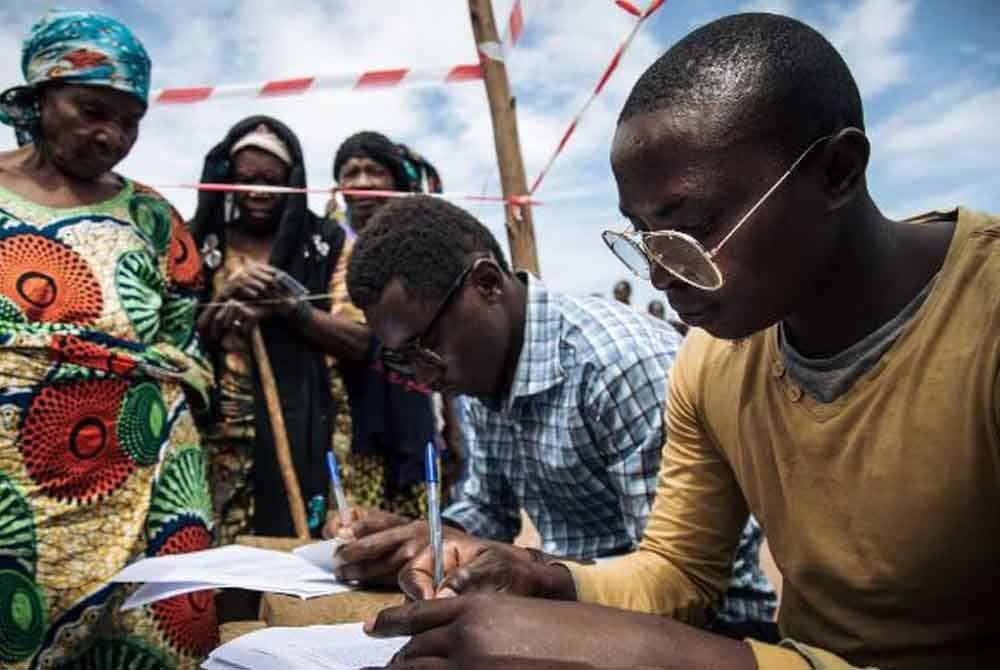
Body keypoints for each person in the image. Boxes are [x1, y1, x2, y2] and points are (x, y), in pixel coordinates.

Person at [362, 12, 999, 670]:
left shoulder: (983, 326)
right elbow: (679, 572)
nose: (662, 275)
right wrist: (546, 579)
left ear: (838, 170)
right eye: (642, 237)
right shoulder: (715, 359)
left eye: (690, 226)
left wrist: (663, 656)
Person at [333, 196, 777, 631]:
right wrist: (424, 536)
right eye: (400, 361)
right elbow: (489, 510)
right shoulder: (478, 373)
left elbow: (679, 581)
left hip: (708, 636)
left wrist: (532, 571)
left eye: (422, 348)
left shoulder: (616, 365)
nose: (421, 378)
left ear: (486, 283)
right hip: (575, 613)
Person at [0, 10, 218, 667]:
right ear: (41, 97)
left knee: (149, 647)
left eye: (130, 119)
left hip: (145, 482)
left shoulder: (151, 217)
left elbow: (186, 341)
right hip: (17, 490)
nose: (113, 135)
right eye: (93, 109)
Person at [189, 116, 370, 541]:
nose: (258, 191)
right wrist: (222, 304)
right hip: (224, 431)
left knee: (308, 540)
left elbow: (359, 339)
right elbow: (178, 338)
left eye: (272, 180)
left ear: (293, 179)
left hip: (310, 420)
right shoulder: (202, 242)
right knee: (226, 548)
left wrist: (288, 308)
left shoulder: (328, 241)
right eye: (246, 178)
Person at [324, 131, 460, 520]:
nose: (363, 182)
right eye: (351, 173)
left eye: (374, 171)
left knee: (415, 530)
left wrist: (454, 425)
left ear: (396, 182)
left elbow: (446, 336)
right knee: (353, 527)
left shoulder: (420, 246)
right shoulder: (325, 243)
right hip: (346, 413)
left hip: (413, 406)